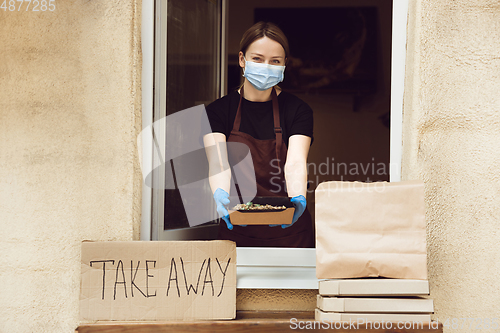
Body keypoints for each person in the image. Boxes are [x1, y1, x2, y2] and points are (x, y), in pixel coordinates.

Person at [203, 22, 314, 248]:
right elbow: (218, 162)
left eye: (275, 61)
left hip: (288, 229)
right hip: (237, 226)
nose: (266, 66)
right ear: (242, 60)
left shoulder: (298, 110)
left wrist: (298, 199)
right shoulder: (217, 111)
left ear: (284, 65)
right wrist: (221, 193)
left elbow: (295, 162)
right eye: (258, 58)